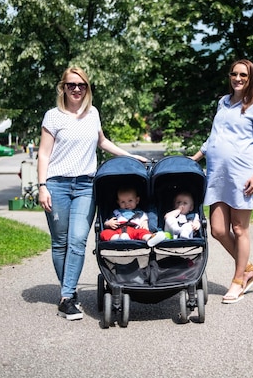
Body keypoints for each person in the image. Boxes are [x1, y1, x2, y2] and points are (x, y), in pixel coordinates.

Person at [37, 66, 147, 321]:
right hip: (57, 185)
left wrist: (130, 156)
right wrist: (42, 186)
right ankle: (69, 294)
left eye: (81, 85)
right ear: (62, 87)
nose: (76, 89)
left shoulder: (92, 113)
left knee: (77, 241)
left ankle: (66, 297)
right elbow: (44, 153)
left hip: (87, 185)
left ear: (87, 88)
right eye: (71, 85)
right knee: (60, 243)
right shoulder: (53, 116)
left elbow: (102, 142)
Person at [191, 59, 253, 304]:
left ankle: (238, 281)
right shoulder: (223, 103)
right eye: (234, 74)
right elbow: (213, 138)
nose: (238, 78)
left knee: (239, 228)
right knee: (217, 230)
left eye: (243, 75)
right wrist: (192, 160)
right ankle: (248, 269)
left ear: (251, 79)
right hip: (217, 175)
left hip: (243, 175)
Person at [99, 187, 165, 242]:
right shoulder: (115, 212)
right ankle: (117, 238)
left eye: (130, 201)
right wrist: (108, 223)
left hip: (134, 230)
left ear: (137, 200)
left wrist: (145, 223)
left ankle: (149, 238)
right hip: (118, 231)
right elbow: (107, 221)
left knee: (142, 232)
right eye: (123, 202)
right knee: (104, 233)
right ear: (118, 202)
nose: (127, 204)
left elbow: (144, 219)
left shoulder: (140, 213)